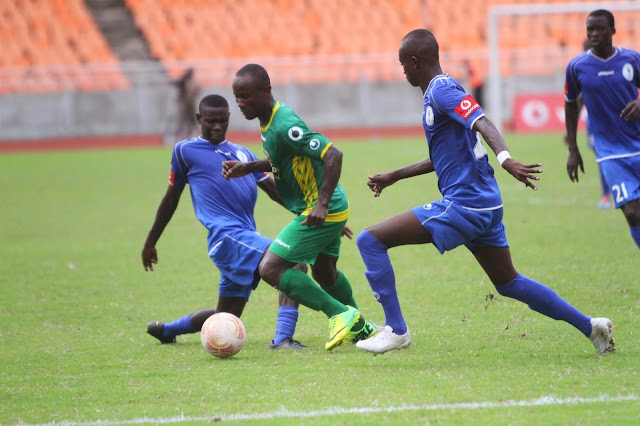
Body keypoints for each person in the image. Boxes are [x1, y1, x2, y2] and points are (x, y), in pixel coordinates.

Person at [354, 29, 614, 355]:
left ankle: (396, 330)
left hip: (466, 204)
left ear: (415, 62)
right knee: (509, 283)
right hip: (486, 206)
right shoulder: (439, 93)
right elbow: (445, 155)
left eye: (403, 64)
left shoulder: (442, 91)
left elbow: (482, 121)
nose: (402, 70)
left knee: (370, 240)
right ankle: (591, 327)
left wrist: (505, 159)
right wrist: (396, 175)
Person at [222, 64, 376, 351]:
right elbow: (283, 159)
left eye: (246, 96)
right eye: (237, 97)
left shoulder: (285, 125)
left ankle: (342, 315)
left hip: (319, 211)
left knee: (270, 268)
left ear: (266, 90)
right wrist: (248, 167)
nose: (241, 104)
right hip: (326, 210)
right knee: (325, 273)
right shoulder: (268, 122)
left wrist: (322, 205)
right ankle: (363, 329)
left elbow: (333, 154)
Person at [143, 94, 307, 350]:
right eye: (210, 121)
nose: (217, 126)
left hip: (242, 237)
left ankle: (168, 330)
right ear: (199, 119)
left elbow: (275, 192)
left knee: (227, 316)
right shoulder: (185, 151)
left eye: (222, 121)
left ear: (229, 119)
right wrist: (151, 241)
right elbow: (170, 199)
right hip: (226, 237)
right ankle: (283, 339)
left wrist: (315, 212)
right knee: (293, 260)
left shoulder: (242, 152)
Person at [565, 9, 640, 248]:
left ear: (613, 31)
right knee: (631, 213)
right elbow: (570, 106)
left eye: (600, 28)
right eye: (590, 29)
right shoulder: (577, 66)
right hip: (610, 152)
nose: (594, 33)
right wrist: (573, 149)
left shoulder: (632, 59)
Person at [563, 38, 611, 209]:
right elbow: (577, 102)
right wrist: (570, 131)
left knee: (608, 157)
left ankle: (608, 193)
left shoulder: (610, 67)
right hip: (595, 123)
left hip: (616, 120)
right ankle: (606, 193)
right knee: (602, 157)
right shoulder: (582, 70)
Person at [170, 68, 201, 144]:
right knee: (184, 122)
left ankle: (189, 137)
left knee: (190, 122)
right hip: (186, 104)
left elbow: (197, 90)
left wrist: (191, 97)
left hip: (188, 104)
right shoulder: (189, 82)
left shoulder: (190, 82)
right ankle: (183, 137)